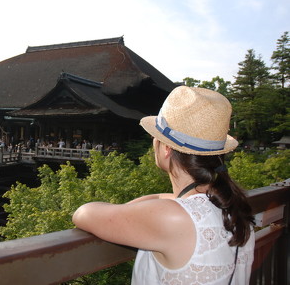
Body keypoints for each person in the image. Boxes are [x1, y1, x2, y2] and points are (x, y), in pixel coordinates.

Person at [72, 86, 255, 285]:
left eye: (155, 138)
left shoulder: (172, 216)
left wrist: (160, 201)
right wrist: (163, 198)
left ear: (166, 148)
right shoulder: (231, 206)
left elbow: (83, 213)